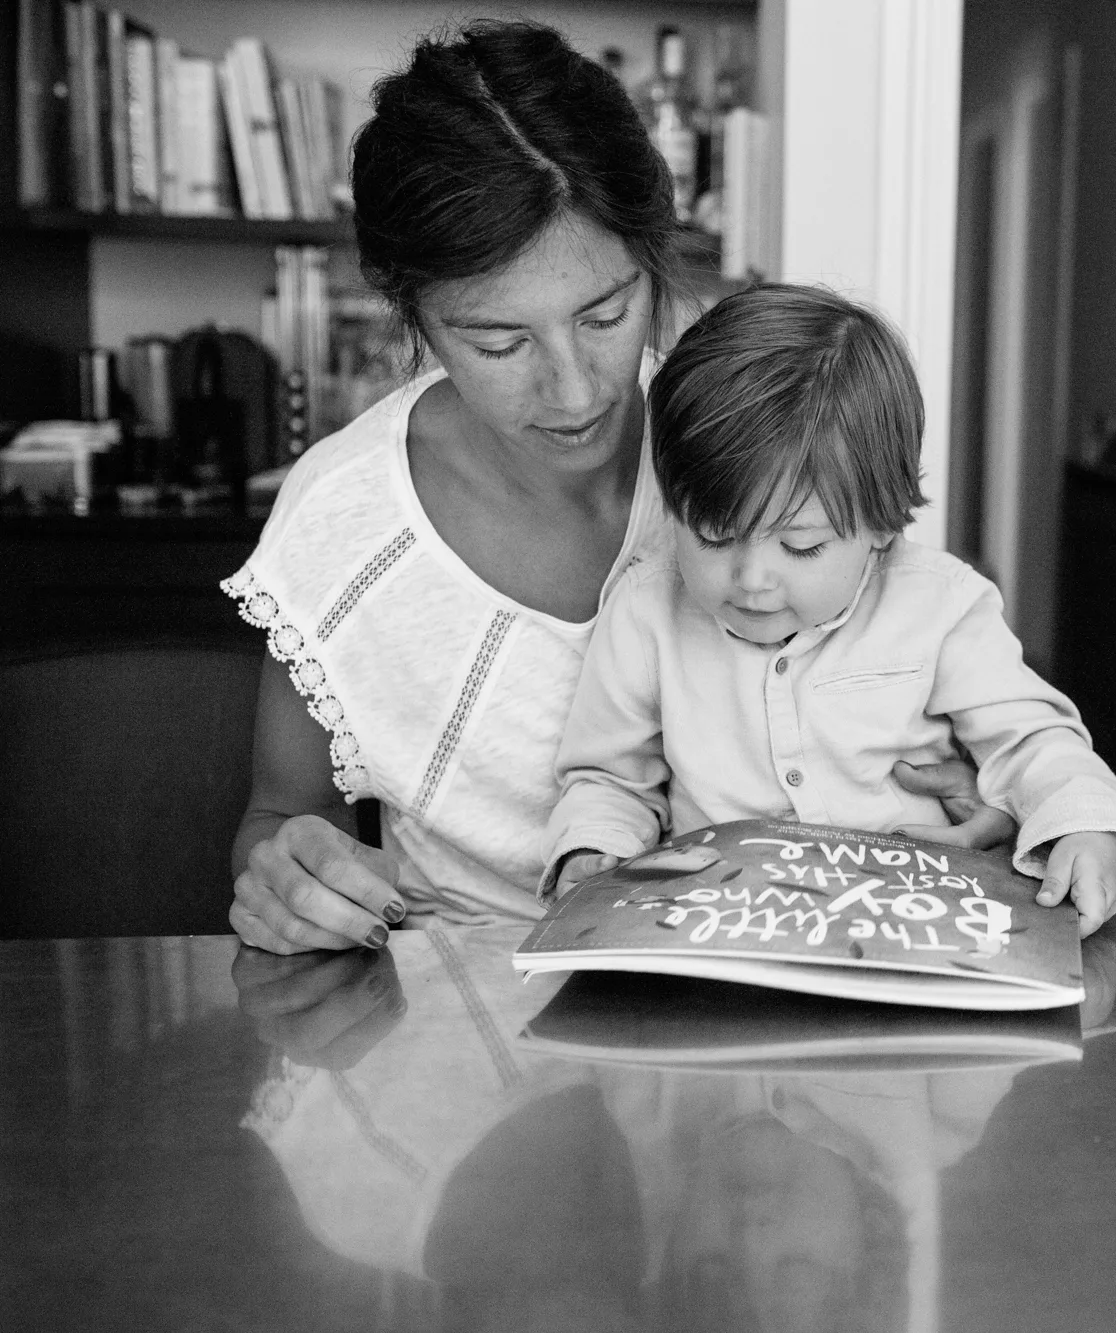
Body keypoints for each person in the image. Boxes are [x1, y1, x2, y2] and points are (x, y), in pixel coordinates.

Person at [223, 21, 1005, 956]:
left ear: (657, 259)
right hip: (466, 1005)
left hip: (765, 987)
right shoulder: (343, 522)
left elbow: (917, 668)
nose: (576, 391)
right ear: (410, 312)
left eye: (606, 314)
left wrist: (980, 793)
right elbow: (281, 815)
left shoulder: (759, 448)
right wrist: (286, 876)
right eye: (499, 343)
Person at [543, 284, 1116, 933]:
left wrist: (1081, 821)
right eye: (713, 537)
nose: (751, 580)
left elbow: (1031, 741)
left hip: (911, 926)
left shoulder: (941, 606)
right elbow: (610, 780)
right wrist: (594, 849)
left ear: (881, 523)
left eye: (801, 546)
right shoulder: (644, 612)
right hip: (721, 933)